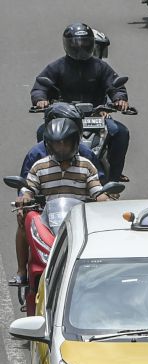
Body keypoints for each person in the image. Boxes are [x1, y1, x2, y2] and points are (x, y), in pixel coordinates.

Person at [9, 104, 100, 288]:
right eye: (57, 143)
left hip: (78, 218)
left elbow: (98, 189)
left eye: (66, 142)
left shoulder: (87, 163)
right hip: (47, 218)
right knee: (24, 218)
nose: (61, 147)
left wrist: (104, 198)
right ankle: (21, 271)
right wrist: (24, 198)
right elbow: (28, 188)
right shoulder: (38, 163)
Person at [31, 23, 131, 182]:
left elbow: (115, 86)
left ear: (91, 44)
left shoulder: (101, 67)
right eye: (76, 44)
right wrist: (40, 100)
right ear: (67, 44)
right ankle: (43, 176)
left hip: (98, 115)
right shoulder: (56, 67)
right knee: (42, 131)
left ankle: (114, 178)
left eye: (84, 43)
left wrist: (119, 99)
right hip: (64, 117)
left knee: (120, 132)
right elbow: (40, 87)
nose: (80, 48)